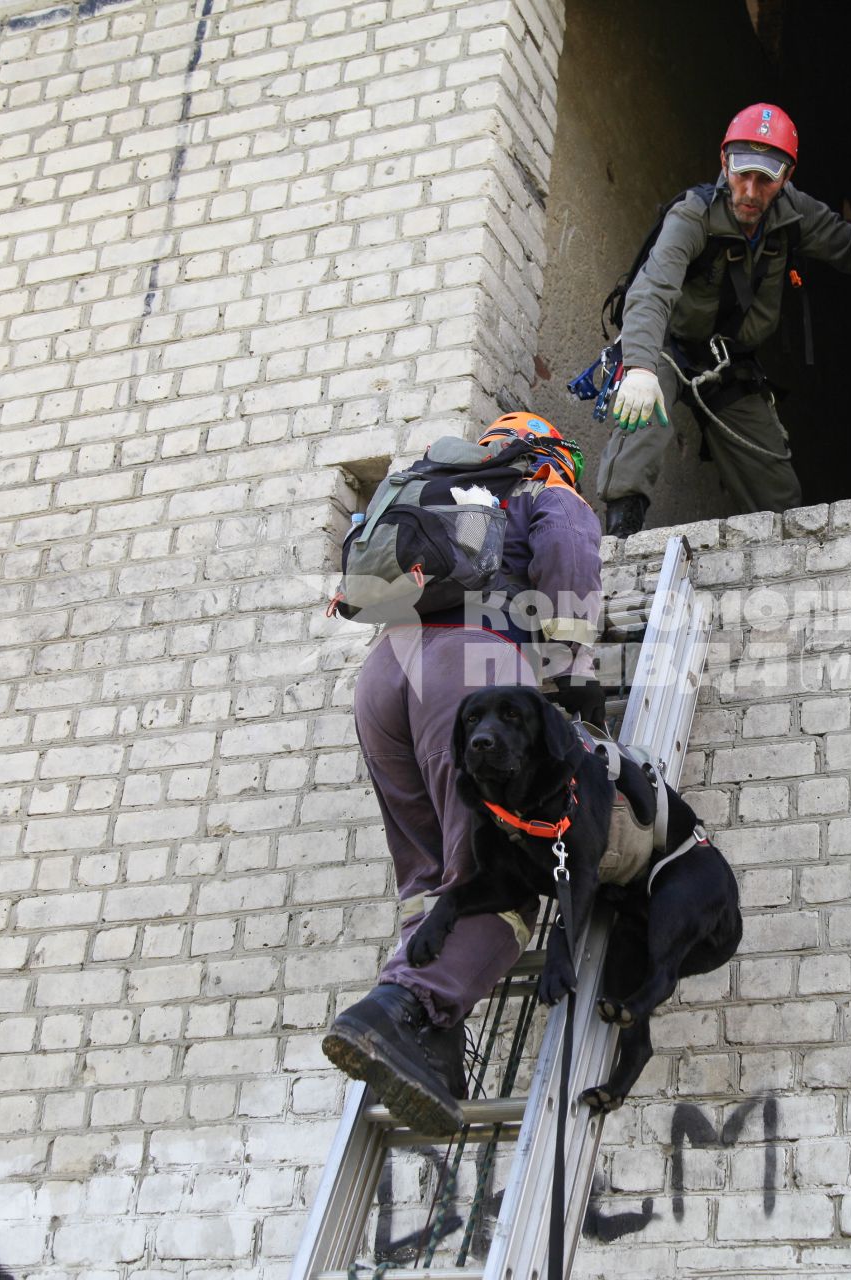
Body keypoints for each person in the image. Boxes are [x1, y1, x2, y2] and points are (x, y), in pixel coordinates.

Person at [322, 412, 604, 1136]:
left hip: (385, 677)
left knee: (430, 878)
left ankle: (433, 1047)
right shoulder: (542, 492)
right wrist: (572, 673)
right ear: (553, 455)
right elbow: (568, 559)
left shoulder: (442, 495)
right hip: (470, 666)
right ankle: (403, 1006)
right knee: (496, 875)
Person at [595, 102, 851, 536]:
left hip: (728, 365)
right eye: (742, 174)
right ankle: (619, 537)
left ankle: (784, 560)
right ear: (725, 162)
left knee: (778, 491)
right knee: (642, 412)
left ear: (786, 177)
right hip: (668, 348)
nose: (750, 191)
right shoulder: (693, 214)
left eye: (766, 179)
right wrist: (640, 367)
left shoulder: (793, 215)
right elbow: (652, 291)